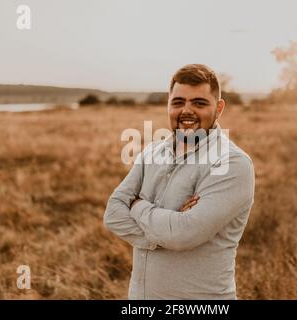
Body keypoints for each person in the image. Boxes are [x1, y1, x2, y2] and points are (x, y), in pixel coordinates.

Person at [103, 64, 255, 299]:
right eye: (178, 102)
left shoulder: (232, 163)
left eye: (199, 103)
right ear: (168, 105)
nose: (187, 111)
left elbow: (183, 234)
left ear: (219, 108)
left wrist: (137, 206)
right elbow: (113, 214)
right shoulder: (151, 153)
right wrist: (165, 233)